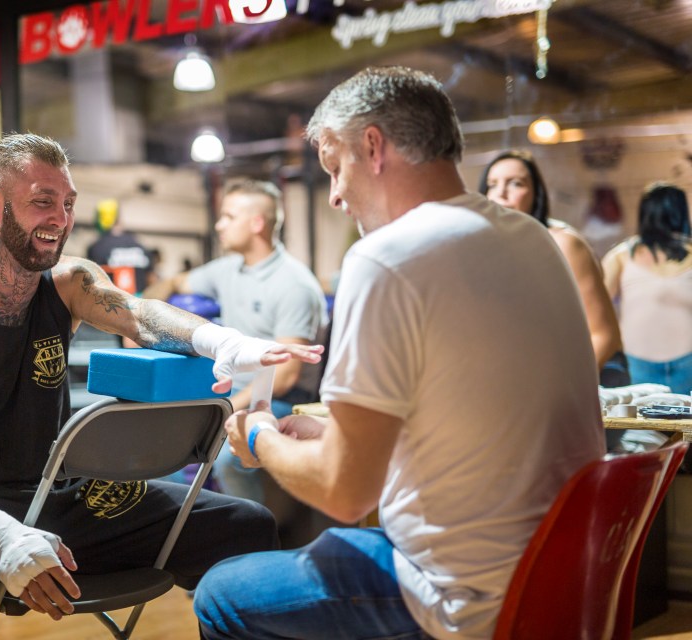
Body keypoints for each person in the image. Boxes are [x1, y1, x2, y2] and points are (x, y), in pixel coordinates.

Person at [192, 66, 605, 640]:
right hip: (564, 574)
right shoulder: (531, 238)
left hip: (461, 593)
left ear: (373, 147)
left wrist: (259, 436)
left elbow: (344, 491)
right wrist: (334, 436)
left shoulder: (386, 257)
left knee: (220, 592)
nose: (334, 195)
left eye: (336, 169)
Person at [0, 133, 323, 640]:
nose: (60, 218)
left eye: (69, 202)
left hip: (64, 494)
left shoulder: (68, 282)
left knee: (245, 524)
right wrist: (2, 532)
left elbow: (139, 313)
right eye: (42, 201)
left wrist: (222, 342)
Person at [142, 179, 328, 503]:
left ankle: (255, 534)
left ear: (256, 223)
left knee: (229, 459)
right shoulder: (228, 270)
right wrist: (140, 324)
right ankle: (180, 530)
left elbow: (287, 376)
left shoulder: (294, 284)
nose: (219, 225)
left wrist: (222, 411)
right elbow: (172, 282)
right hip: (226, 392)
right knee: (158, 443)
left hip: (273, 398)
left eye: (228, 216)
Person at [478, 150, 629, 388]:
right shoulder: (488, 254)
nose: (501, 193)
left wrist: (563, 388)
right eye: (492, 185)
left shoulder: (563, 243)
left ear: (536, 194)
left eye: (515, 183)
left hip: (583, 381)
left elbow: (604, 335)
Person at [603, 182, 692, 396]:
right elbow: (595, 311)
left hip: (688, 365)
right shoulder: (622, 257)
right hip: (636, 365)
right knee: (642, 429)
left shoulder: (620, 256)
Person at [86, 198, 155, 294]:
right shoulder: (140, 246)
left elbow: (90, 281)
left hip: (109, 305)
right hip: (140, 304)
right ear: (118, 218)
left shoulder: (96, 248)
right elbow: (152, 280)